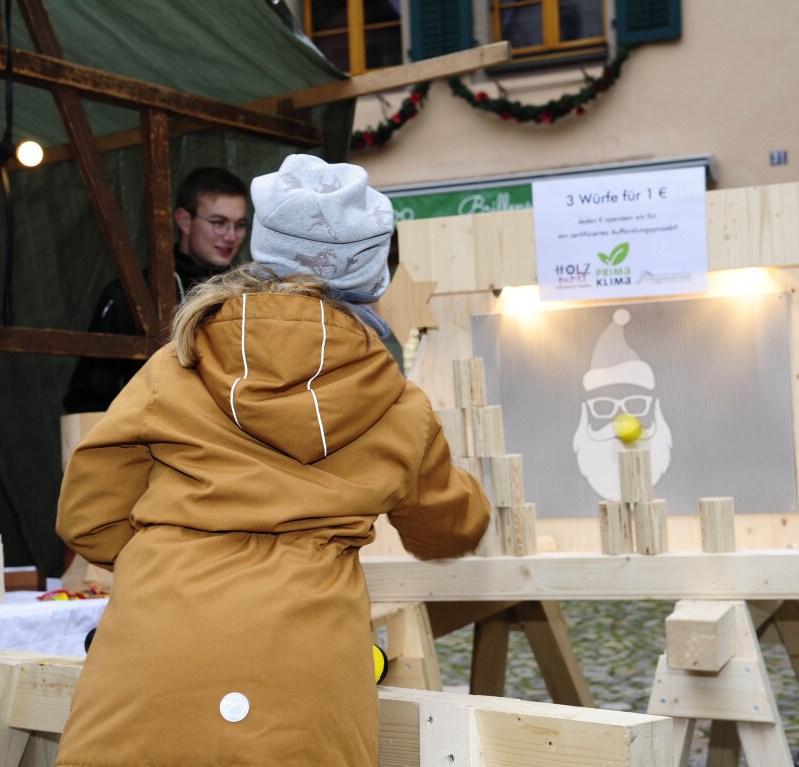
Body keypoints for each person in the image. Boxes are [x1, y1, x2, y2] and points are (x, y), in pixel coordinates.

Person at [53, 154, 491, 767]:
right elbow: (451, 527)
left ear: (264, 249)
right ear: (371, 276)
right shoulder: (397, 402)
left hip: (156, 644)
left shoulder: (174, 366)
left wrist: (172, 547)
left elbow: (87, 517)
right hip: (307, 664)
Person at [61, 166, 248, 414]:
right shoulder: (133, 295)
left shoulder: (247, 293)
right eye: (218, 223)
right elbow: (87, 397)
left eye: (240, 225)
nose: (231, 236)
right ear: (184, 220)